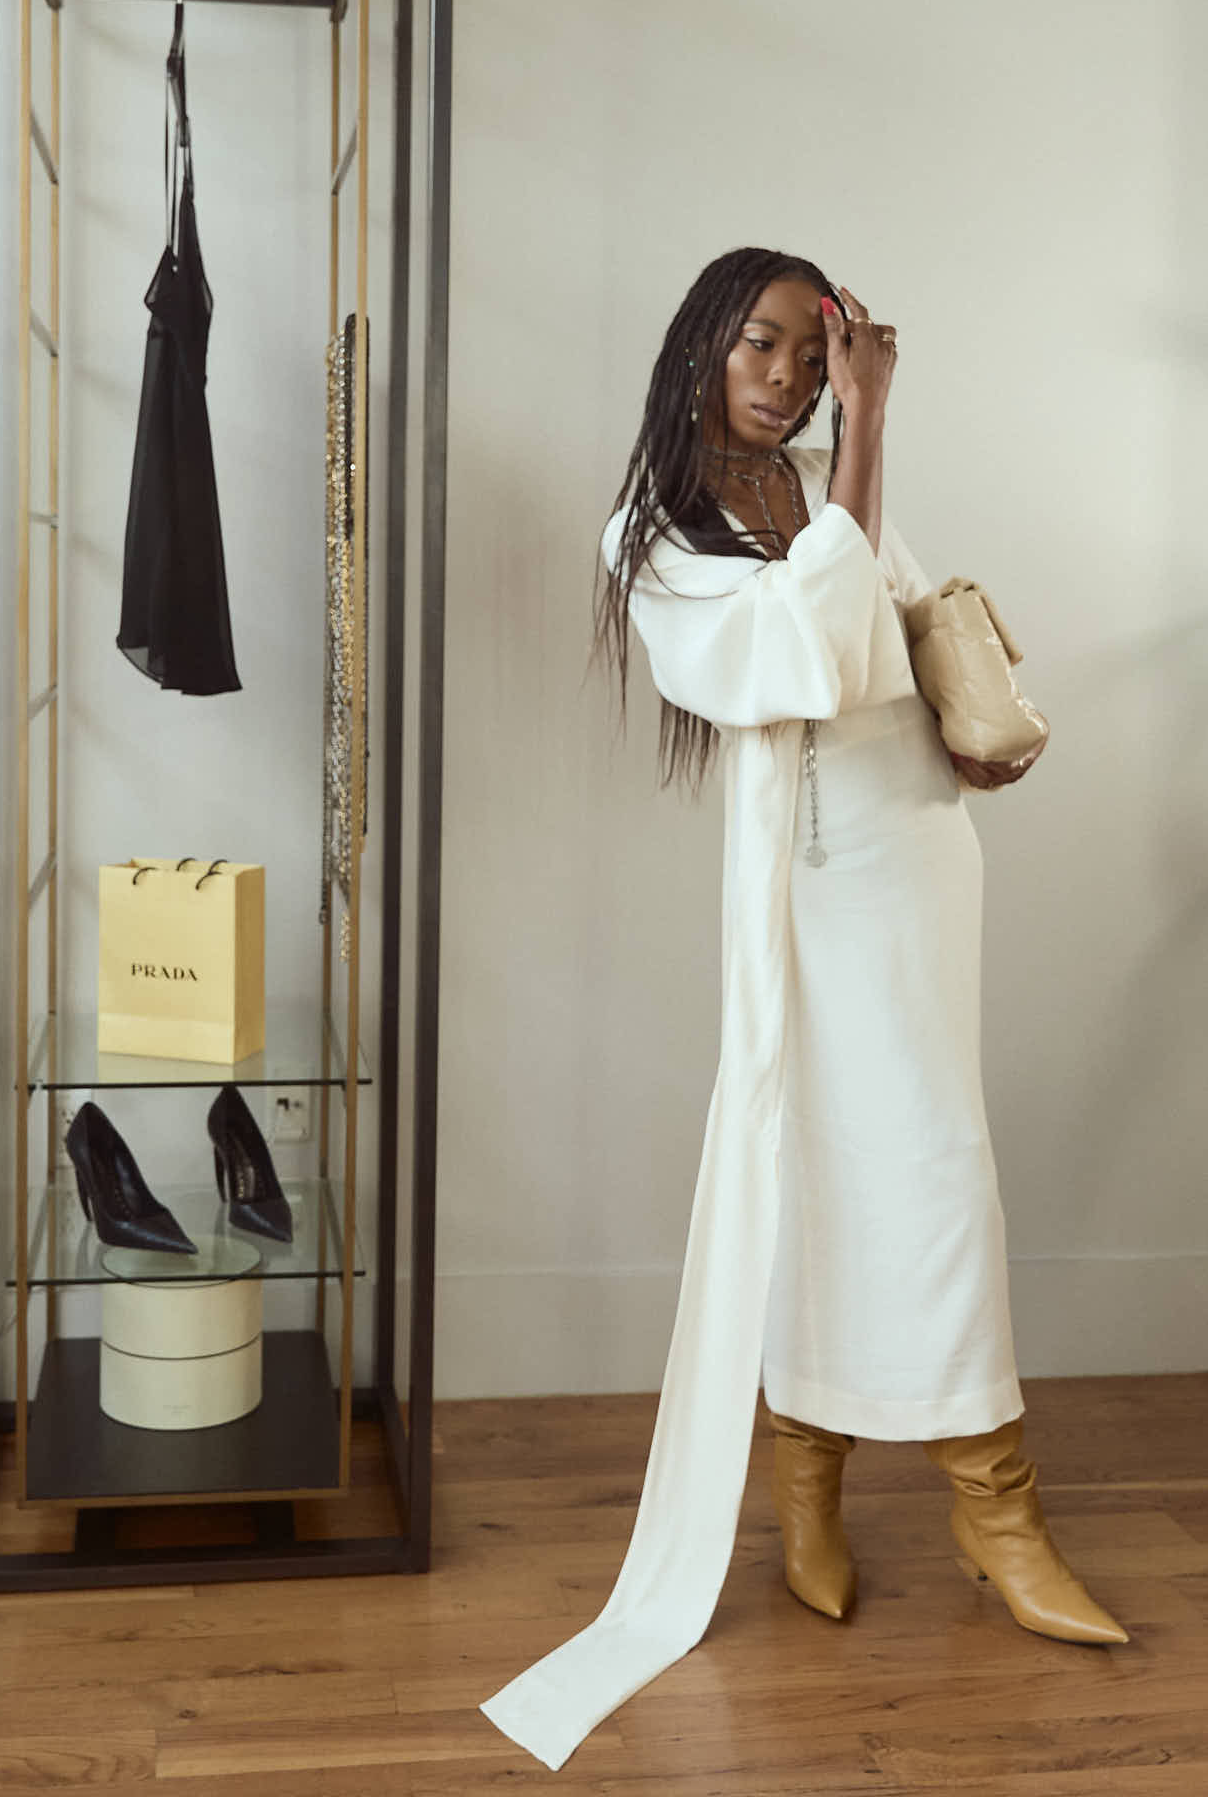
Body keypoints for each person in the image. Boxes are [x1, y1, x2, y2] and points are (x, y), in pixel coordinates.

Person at [480, 247, 1127, 1775]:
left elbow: (895, 639)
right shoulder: (650, 530)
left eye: (810, 349)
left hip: (919, 856)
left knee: (901, 1159)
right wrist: (875, 439)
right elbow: (795, 662)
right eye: (757, 344)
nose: (782, 376)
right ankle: (925, 1498)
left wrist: (971, 736)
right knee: (862, 1165)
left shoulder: (830, 491)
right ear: (703, 345)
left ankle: (865, 1489)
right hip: (811, 881)